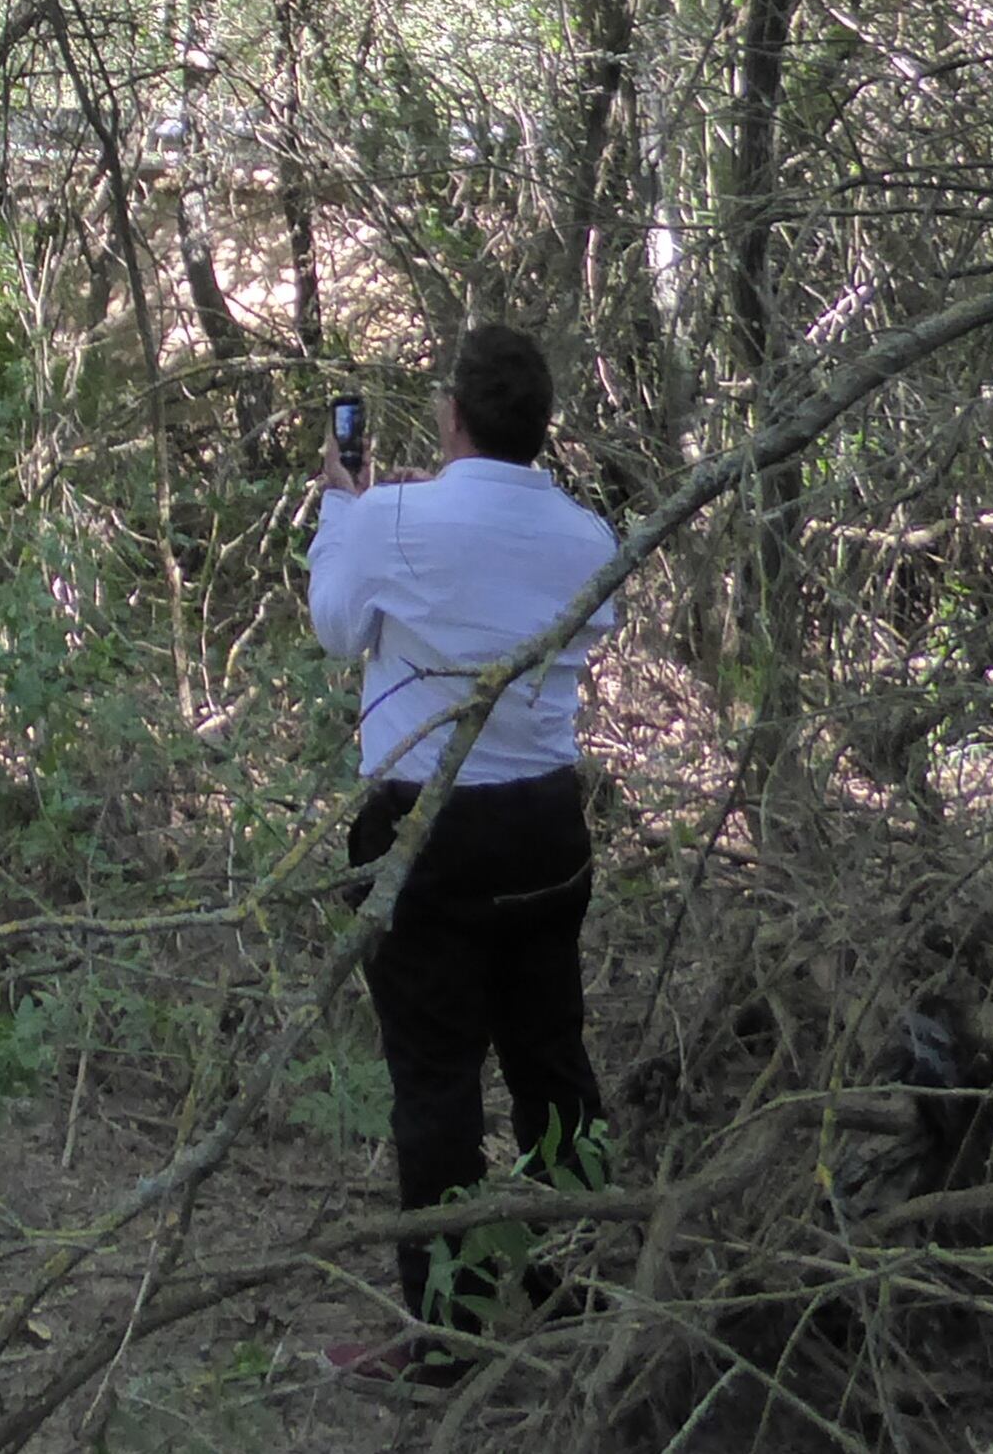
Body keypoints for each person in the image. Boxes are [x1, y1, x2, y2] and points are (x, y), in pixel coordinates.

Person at [307, 324, 620, 1386]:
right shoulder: (587, 532)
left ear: (450, 413)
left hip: (425, 824)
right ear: (539, 425)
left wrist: (341, 505)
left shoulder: (391, 516)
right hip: (544, 820)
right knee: (551, 1059)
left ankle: (451, 1332)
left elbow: (336, 626)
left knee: (437, 1077)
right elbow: (595, 624)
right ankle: (578, 1286)